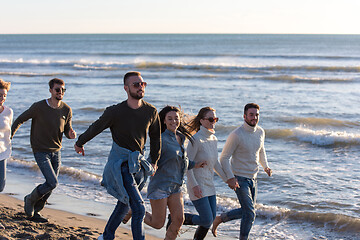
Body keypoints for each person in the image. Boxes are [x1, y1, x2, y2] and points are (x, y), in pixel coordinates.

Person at [74, 71, 161, 240]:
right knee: (139, 208)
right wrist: (80, 142)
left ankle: (106, 236)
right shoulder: (115, 111)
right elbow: (96, 127)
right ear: (126, 88)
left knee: (123, 204)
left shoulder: (151, 111)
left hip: (138, 165)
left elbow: (156, 138)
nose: (140, 87)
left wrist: (155, 161)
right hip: (121, 164)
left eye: (143, 84)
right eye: (136, 84)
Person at [11, 78, 76, 223]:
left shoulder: (66, 109)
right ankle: (29, 200)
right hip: (40, 150)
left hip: (56, 151)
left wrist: (71, 134)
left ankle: (36, 211)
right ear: (51, 91)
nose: (61, 92)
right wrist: (10, 135)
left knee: (51, 185)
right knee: (52, 182)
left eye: (63, 90)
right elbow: (20, 119)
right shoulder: (39, 107)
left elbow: (67, 129)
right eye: (58, 89)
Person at [143, 106, 206, 240]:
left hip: (176, 187)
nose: (174, 121)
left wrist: (196, 164)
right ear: (164, 121)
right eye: (169, 119)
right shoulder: (160, 140)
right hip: (160, 186)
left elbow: (181, 161)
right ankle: (134, 210)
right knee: (157, 223)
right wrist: (147, 168)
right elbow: (151, 159)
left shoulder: (180, 138)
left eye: (176, 118)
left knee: (178, 219)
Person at [212, 103, 272, 240]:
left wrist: (266, 166)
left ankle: (219, 219)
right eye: (251, 115)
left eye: (257, 115)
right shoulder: (236, 135)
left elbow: (261, 150)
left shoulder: (261, 132)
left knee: (247, 212)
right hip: (240, 179)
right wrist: (231, 178)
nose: (254, 117)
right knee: (250, 213)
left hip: (253, 178)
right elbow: (224, 158)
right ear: (244, 116)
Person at [181, 107, 227, 240]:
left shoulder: (213, 138)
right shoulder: (195, 140)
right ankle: (177, 218)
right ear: (202, 121)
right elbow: (187, 165)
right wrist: (194, 185)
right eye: (211, 119)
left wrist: (227, 179)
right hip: (196, 184)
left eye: (215, 119)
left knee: (210, 219)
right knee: (206, 220)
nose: (214, 122)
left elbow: (215, 163)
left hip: (209, 184)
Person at [0, 79, 13, 229]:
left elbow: (8, 131)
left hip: (3, 152)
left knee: (1, 185)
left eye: (4, 95)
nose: (2, 98)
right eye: (0, 95)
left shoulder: (9, 111)